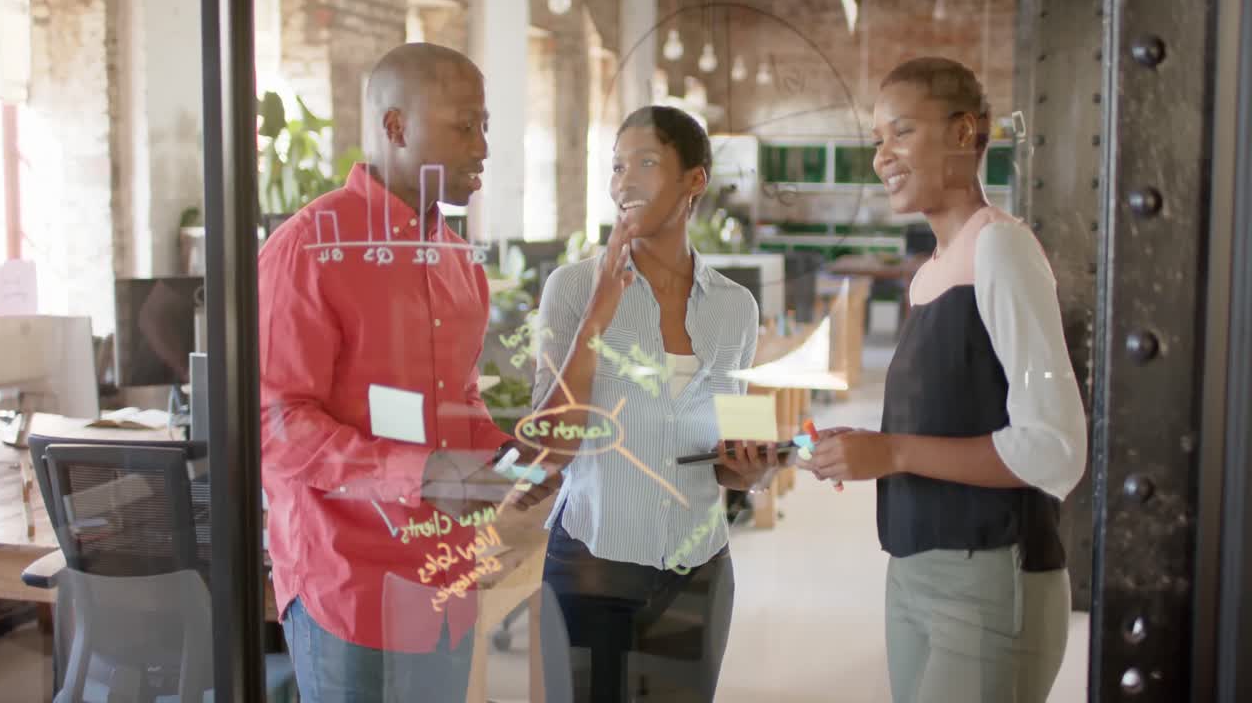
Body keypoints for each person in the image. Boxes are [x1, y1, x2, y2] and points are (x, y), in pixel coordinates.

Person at [799, 57, 1086, 703]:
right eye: (878, 140)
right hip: (913, 575)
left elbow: (1055, 447)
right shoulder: (932, 274)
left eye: (901, 131)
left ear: (965, 133)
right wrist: (868, 447)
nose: (882, 157)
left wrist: (895, 451)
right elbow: (958, 418)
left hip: (988, 579)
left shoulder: (1002, 250)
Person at [259, 43, 517, 702]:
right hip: (347, 580)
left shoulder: (459, 259)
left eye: (485, 125)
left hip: (443, 573)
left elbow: (456, 398)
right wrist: (420, 471)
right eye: (466, 125)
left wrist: (506, 461)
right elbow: (273, 422)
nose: (483, 146)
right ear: (396, 127)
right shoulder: (309, 248)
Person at [514, 105, 781, 702]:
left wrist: (753, 470)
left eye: (646, 162)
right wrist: (598, 314)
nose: (623, 181)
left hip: (699, 571)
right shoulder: (574, 287)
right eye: (616, 166)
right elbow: (549, 445)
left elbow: (736, 432)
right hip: (592, 568)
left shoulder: (735, 305)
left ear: (695, 181)